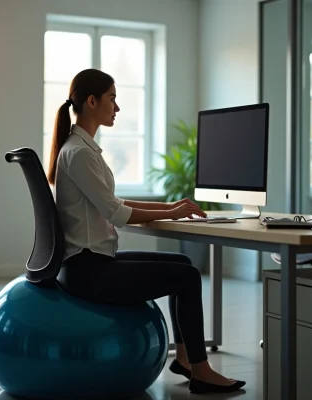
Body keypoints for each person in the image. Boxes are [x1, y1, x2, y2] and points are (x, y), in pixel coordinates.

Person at [49, 68, 246, 395]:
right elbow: (117, 212)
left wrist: (171, 209)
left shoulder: (78, 148)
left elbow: (112, 202)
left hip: (91, 262)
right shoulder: (80, 152)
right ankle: (201, 370)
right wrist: (169, 210)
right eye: (112, 98)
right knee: (188, 278)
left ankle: (184, 358)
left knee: (183, 265)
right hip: (88, 272)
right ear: (92, 100)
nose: (117, 107)